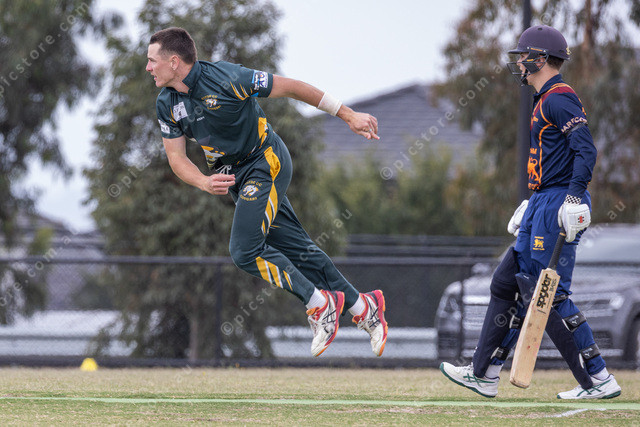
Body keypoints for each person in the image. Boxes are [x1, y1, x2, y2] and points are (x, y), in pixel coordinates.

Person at [146, 27, 387, 357]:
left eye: (152, 60)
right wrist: (203, 181)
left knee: (244, 251)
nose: (148, 67)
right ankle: (364, 308)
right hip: (238, 177)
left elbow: (293, 87)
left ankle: (320, 304)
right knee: (298, 250)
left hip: (266, 161)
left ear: (174, 62)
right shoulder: (166, 103)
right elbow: (176, 157)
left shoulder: (228, 77)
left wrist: (348, 115)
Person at [440, 25, 621, 399]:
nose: (520, 62)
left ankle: (598, 378)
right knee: (506, 282)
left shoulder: (559, 97)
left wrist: (573, 198)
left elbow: (586, 150)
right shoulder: (545, 99)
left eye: (524, 55)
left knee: (549, 294)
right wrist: (533, 201)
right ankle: (484, 373)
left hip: (559, 200)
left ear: (540, 58)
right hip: (544, 200)